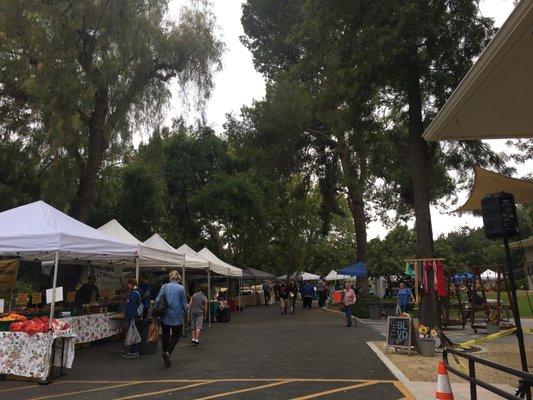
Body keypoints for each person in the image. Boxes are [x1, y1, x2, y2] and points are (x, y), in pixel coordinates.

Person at [155, 270, 188, 367]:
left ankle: (165, 352)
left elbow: (157, 300)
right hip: (177, 316)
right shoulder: (181, 288)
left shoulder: (164, 286)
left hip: (164, 315)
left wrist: (156, 311)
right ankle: (168, 353)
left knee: (165, 336)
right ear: (178, 278)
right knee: (176, 335)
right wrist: (187, 313)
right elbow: (183, 304)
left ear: (170, 277)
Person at [123, 278, 142, 359]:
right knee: (132, 334)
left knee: (133, 334)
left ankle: (135, 352)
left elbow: (132, 307)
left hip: (132, 316)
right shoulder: (134, 293)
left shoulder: (134, 293)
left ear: (131, 284)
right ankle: (132, 351)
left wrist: (131, 317)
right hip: (132, 316)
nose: (128, 286)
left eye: (129, 284)